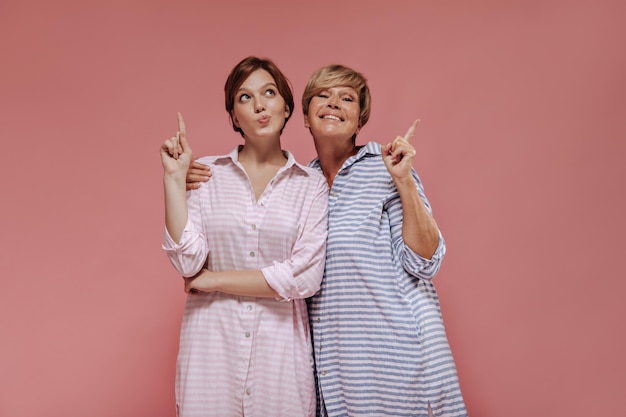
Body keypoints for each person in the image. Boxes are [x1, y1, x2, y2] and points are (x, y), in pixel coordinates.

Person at [187, 64, 467, 417]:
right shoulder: (303, 182)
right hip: (339, 375)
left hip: (402, 360)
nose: (334, 103)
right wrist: (196, 180)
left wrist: (405, 182)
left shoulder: (386, 167)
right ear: (304, 116)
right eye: (324, 95)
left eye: (347, 98)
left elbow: (425, 262)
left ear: (359, 119)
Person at [160, 56, 328, 417]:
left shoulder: (311, 185)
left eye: (269, 93)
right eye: (245, 97)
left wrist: (213, 279)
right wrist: (174, 181)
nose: (260, 105)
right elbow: (188, 261)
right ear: (234, 116)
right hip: (210, 352)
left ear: (286, 105)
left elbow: (304, 275)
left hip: (280, 358)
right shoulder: (207, 176)